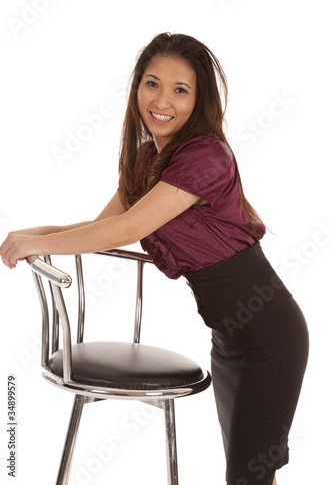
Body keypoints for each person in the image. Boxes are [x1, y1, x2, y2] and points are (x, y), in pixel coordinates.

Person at [0, 32, 309, 485]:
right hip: (230, 338)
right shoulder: (149, 158)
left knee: (250, 476)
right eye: (152, 83)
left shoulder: (206, 156)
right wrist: (33, 236)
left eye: (180, 90)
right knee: (246, 475)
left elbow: (128, 229)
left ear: (199, 101)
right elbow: (99, 228)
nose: (162, 100)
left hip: (269, 336)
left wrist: (35, 243)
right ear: (136, 88)